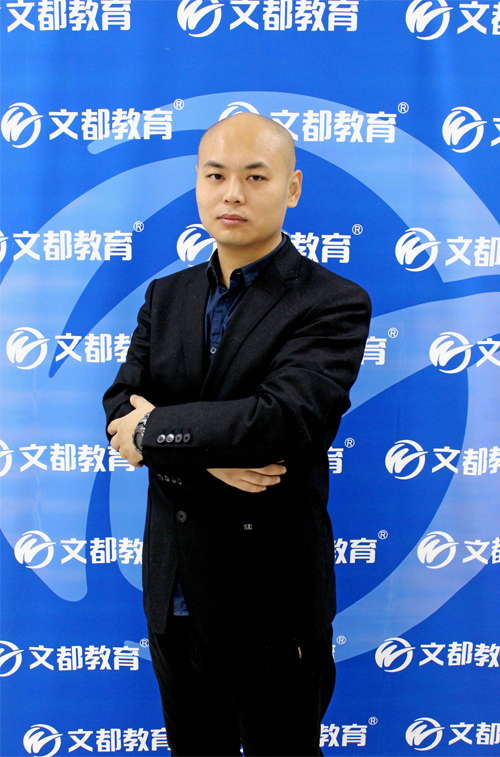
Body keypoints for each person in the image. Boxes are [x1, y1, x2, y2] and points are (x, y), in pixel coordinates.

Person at [103, 112, 371, 757]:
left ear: (292, 188)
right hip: (174, 594)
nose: (232, 194)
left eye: (255, 177)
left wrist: (157, 430)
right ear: (198, 184)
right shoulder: (165, 296)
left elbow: (281, 421)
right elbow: (118, 407)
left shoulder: (332, 301)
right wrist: (206, 457)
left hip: (271, 603)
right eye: (215, 176)